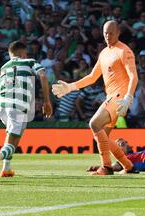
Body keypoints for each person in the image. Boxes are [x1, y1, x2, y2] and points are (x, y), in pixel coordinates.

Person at [53, 20, 138, 175]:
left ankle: (106, 167)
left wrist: (128, 98)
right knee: (103, 136)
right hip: (111, 97)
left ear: (118, 33)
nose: (108, 36)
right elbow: (92, 77)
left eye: (111, 33)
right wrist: (70, 87)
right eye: (105, 33)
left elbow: (134, 77)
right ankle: (128, 166)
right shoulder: (104, 53)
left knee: (94, 123)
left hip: (119, 98)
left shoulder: (124, 51)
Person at [0, 41, 53, 178]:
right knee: (14, 137)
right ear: (21, 53)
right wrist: (47, 101)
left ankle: (6, 168)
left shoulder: (4, 66)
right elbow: (42, 75)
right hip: (18, 105)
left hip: (1, 105)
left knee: (12, 135)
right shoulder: (30, 62)